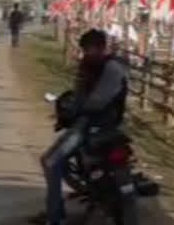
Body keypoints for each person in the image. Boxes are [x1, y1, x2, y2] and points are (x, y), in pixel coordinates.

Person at [36, 29, 127, 225]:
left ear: (103, 48)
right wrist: (72, 107)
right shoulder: (87, 66)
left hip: (93, 124)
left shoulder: (112, 68)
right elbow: (78, 93)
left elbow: (96, 101)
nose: (89, 54)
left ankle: (55, 216)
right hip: (100, 123)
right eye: (86, 50)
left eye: (93, 49)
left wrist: (75, 110)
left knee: (50, 162)